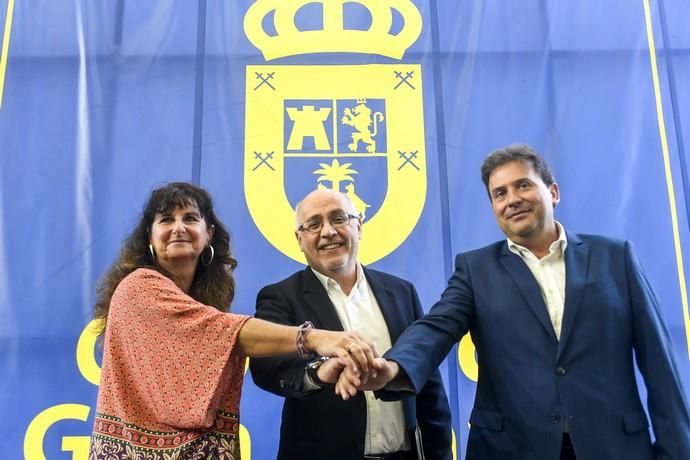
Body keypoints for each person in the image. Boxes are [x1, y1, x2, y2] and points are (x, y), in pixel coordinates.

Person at [340, 145, 690, 459]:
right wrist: (394, 367)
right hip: (512, 447)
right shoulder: (475, 269)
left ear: (552, 192)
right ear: (493, 207)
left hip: (613, 446)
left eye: (523, 185)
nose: (512, 199)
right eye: (499, 193)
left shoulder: (615, 257)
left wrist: (677, 449)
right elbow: (437, 327)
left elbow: (659, 362)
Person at [88, 182, 376, 459]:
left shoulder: (205, 303)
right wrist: (315, 339)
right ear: (149, 237)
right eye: (166, 220)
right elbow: (219, 332)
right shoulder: (138, 287)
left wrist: (323, 370)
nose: (179, 228)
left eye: (190, 218)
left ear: (208, 233)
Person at [249, 189, 452, 460]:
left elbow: (427, 384)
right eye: (313, 224)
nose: (328, 232)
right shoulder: (280, 297)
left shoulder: (401, 292)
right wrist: (318, 371)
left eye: (339, 218)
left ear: (359, 225)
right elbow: (267, 368)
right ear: (299, 239)